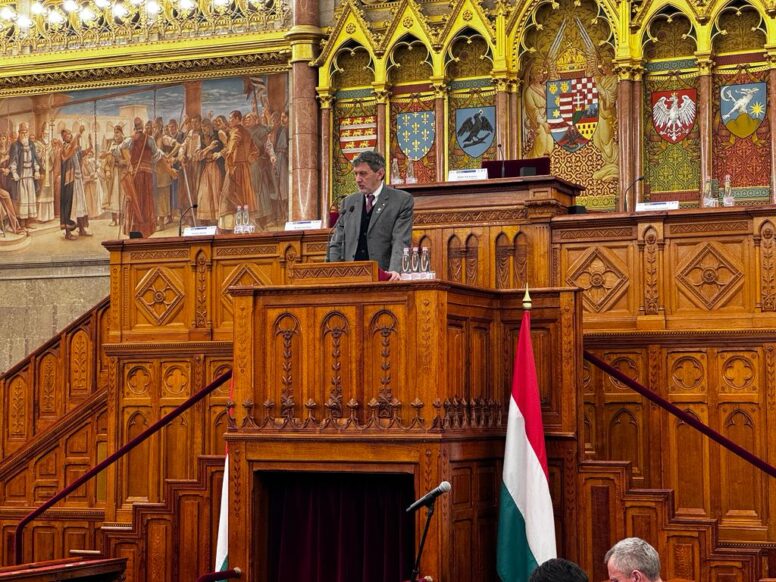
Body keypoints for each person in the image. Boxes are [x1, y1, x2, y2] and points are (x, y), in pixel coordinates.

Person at [326, 150, 414, 281]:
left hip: (382, 276)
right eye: (355, 174)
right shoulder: (348, 202)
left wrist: (394, 271)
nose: (357, 179)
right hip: (350, 278)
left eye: (363, 174)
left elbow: (400, 241)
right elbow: (336, 242)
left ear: (380, 173)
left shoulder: (401, 201)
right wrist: (332, 273)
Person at [59, 126, 92, 239]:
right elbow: (68, 153)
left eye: (68, 134)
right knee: (69, 205)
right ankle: (68, 232)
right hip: (69, 181)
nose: (67, 136)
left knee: (80, 204)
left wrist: (90, 145)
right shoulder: (64, 148)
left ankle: (82, 229)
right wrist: (78, 134)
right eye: (65, 135)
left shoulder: (75, 147)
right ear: (63, 138)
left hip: (77, 179)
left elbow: (81, 153)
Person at [9, 122, 41, 230]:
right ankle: (22, 223)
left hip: (30, 174)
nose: (24, 134)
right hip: (21, 174)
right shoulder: (15, 145)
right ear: (19, 133)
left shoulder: (31, 144)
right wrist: (14, 172)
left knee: (30, 196)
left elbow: (35, 159)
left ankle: (28, 222)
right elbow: (13, 161)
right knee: (22, 197)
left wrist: (36, 171)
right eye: (22, 132)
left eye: (26, 132)